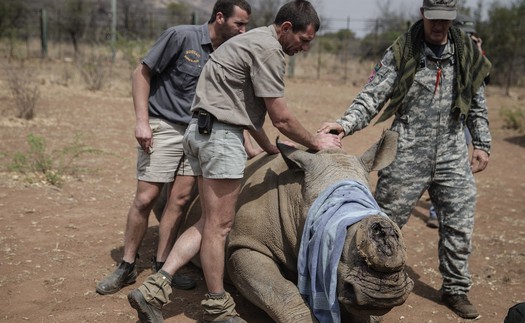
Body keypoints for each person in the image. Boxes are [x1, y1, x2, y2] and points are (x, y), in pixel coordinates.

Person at [126, 1, 341, 322]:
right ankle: (219, 308)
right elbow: (280, 117)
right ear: (285, 29)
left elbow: (244, 105)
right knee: (220, 227)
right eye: (304, 39)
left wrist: (269, 148)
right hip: (221, 139)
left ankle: (154, 288)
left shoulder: (248, 41)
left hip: (199, 133)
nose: (305, 48)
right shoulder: (269, 50)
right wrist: (316, 141)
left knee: (206, 222)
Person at [318, 0, 491, 320]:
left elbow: (477, 103)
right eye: (434, 19)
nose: (439, 26)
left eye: (446, 20)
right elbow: (372, 95)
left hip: (453, 153)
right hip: (407, 150)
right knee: (384, 224)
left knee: (459, 223)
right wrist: (346, 123)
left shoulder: (465, 53)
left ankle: (455, 289)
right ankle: (369, 286)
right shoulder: (403, 52)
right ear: (423, 14)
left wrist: (481, 142)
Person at [95, 0, 252, 296]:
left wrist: (250, 144)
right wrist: (142, 121)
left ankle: (161, 266)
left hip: (198, 133)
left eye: (245, 25)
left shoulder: (228, 52)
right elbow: (141, 73)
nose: (243, 30)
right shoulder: (181, 36)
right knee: (146, 197)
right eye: (239, 24)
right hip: (164, 126)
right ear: (220, 17)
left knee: (178, 201)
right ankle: (126, 266)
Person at [426, 12, 485, 229]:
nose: (468, 39)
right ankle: (434, 211)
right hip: (443, 121)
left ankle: (449, 210)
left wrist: (478, 53)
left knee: (457, 165)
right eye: (464, 34)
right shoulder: (443, 52)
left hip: (466, 120)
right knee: (437, 166)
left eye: (471, 35)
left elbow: (486, 78)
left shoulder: (473, 53)